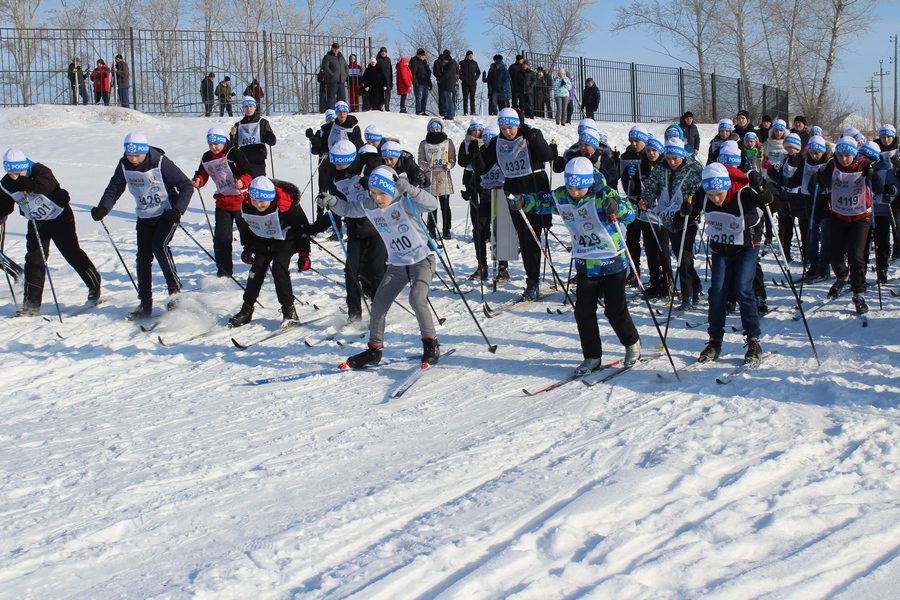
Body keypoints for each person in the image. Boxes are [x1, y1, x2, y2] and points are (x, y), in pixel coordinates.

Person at [513, 156, 642, 374]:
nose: (574, 193)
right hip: (585, 263)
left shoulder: (603, 193)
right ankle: (592, 356)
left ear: (589, 182)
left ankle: (632, 344)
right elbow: (544, 201)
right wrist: (525, 201)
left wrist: (617, 207)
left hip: (612, 262)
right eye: (571, 187)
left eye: (579, 189)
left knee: (615, 311)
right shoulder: (563, 195)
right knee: (583, 312)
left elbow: (630, 214)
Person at [318, 166, 441, 368]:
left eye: (382, 193)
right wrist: (331, 201)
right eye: (373, 193)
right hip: (397, 264)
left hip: (421, 260)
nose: (377, 198)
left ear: (392, 190)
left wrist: (409, 189)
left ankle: (431, 345)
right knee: (378, 305)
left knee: (417, 298)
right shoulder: (371, 205)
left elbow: (432, 204)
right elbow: (348, 209)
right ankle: (374, 350)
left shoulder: (405, 203)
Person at [91, 132, 193, 320]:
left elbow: (186, 185)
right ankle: (145, 302)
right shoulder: (124, 165)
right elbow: (114, 188)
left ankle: (175, 292)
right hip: (144, 216)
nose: (134, 159)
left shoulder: (160, 162)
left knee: (159, 246)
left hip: (166, 214)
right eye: (130, 155)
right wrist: (103, 208)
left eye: (137, 155)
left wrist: (177, 210)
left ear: (145, 151)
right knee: (143, 257)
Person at [682, 162, 775, 364]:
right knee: (717, 292)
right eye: (710, 195)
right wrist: (685, 210)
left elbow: (770, 203)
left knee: (742, 288)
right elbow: (688, 213)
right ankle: (715, 340)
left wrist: (767, 196)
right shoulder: (702, 195)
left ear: (726, 186)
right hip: (720, 249)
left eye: (719, 194)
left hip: (746, 248)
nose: (715, 199)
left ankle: (753, 340)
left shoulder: (743, 194)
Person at [0, 148, 101, 317]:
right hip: (36, 220)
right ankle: (30, 305)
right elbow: (4, 206)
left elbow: (47, 186)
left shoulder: (40, 170)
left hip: (59, 217)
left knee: (71, 252)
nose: (15, 177)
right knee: (34, 259)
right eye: (11, 174)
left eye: (18, 173)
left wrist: (30, 185)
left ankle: (94, 284)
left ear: (25, 166)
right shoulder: (6, 183)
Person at [474, 107, 553, 299]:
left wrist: (533, 138)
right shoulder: (497, 142)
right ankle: (531, 278)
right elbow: (483, 170)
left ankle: (532, 281)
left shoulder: (530, 134)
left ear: (518, 124)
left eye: (511, 127)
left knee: (533, 236)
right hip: (514, 192)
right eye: (503, 128)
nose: (507, 132)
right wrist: (476, 154)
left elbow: (548, 156)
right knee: (524, 236)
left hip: (534, 189)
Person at [226, 176, 310, 328]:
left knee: (279, 268)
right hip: (263, 240)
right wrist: (247, 248)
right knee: (256, 270)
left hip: (285, 239)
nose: (258, 205)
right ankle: (247, 308)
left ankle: (289, 310)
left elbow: (302, 229)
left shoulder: (286, 203)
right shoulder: (247, 204)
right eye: (255, 201)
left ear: (270, 198)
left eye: (262, 202)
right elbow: (246, 227)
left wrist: (304, 255)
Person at [813, 136, 879, 314]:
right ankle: (843, 276)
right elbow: (824, 180)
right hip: (838, 215)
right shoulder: (832, 165)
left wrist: (875, 177)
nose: (843, 159)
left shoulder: (864, 165)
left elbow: (878, 186)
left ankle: (859, 293)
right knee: (834, 256)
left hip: (860, 217)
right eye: (840, 155)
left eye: (847, 156)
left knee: (856, 256)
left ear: (854, 154)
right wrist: (820, 179)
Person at [639, 136, 704, 310]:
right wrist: (646, 200)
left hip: (688, 218)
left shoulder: (694, 169)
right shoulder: (661, 168)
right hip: (668, 216)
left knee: (684, 255)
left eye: (675, 158)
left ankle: (688, 295)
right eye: (668, 158)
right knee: (679, 254)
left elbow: (701, 193)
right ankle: (695, 284)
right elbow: (652, 187)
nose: (672, 162)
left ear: (682, 156)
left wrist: (692, 210)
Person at [192, 127, 253, 278]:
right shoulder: (207, 157)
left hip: (241, 199)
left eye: (216, 144)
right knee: (221, 238)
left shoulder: (233, 153)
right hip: (223, 201)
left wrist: (243, 181)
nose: (213, 147)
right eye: (210, 144)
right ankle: (224, 272)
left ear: (222, 141)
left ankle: (255, 262)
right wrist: (199, 180)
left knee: (248, 233)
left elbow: (249, 172)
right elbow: (203, 172)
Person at [765, 132, 806, 263]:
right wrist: (771, 170)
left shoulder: (801, 159)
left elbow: (792, 179)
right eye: (787, 147)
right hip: (786, 195)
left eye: (791, 147)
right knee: (786, 225)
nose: (788, 149)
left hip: (799, 196)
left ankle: (806, 253)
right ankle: (786, 250)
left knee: (803, 226)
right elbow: (780, 179)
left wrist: (782, 179)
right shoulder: (786, 158)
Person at [418, 119, 456, 239]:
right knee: (431, 206)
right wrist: (427, 165)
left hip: (443, 177)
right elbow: (420, 160)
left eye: (437, 129)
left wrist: (449, 165)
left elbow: (452, 157)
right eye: (432, 129)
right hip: (430, 177)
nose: (435, 131)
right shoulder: (424, 143)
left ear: (441, 129)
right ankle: (432, 229)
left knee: (445, 206)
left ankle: (446, 230)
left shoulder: (448, 142)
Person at [229, 96, 276, 178]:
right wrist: (232, 135)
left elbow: (272, 142)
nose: (249, 109)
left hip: (258, 159)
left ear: (255, 107)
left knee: (258, 184)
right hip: (243, 161)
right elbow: (233, 145)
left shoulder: (262, 122)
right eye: (246, 107)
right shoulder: (238, 125)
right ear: (243, 108)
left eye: (251, 106)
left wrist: (270, 136)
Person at [433, 50, 458, 120]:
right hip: (445, 85)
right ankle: (447, 113)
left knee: (449, 100)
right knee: (444, 100)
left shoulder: (451, 66)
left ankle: (450, 114)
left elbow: (446, 75)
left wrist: (440, 79)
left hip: (448, 85)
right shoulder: (448, 65)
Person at [322, 42, 348, 109]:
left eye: (337, 48)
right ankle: (331, 110)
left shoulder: (341, 57)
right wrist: (331, 74)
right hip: (332, 80)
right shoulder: (328, 57)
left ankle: (341, 110)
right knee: (331, 97)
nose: (335, 50)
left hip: (341, 80)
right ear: (332, 49)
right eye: (334, 48)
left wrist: (345, 74)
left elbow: (345, 66)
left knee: (342, 98)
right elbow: (325, 66)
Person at [409, 48, 432, 116]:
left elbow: (428, 73)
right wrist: (415, 82)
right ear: (418, 55)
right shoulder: (415, 62)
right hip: (419, 83)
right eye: (422, 55)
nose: (423, 56)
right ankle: (418, 110)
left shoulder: (425, 63)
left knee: (424, 98)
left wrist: (430, 83)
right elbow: (413, 73)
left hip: (425, 82)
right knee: (419, 97)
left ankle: (423, 110)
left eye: (424, 55)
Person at [459, 51, 480, 116]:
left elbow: (478, 72)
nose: (471, 57)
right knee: (465, 98)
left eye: (471, 55)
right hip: (465, 83)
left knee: (472, 97)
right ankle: (465, 111)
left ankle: (473, 111)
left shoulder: (475, 63)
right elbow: (459, 72)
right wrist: (463, 78)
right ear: (466, 56)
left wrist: (475, 78)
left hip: (473, 83)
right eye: (469, 55)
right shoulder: (462, 63)